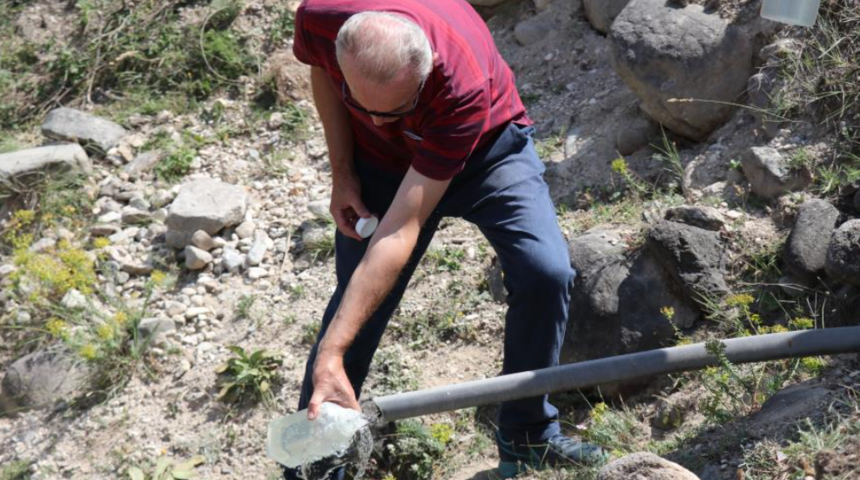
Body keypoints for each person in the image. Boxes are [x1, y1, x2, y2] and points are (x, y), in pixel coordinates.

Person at [285, 0, 606, 477]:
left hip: (485, 152)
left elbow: (399, 229)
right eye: (363, 106)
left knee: (546, 274)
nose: (376, 123)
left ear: (426, 71)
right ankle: (312, 465)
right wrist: (343, 170)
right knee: (354, 310)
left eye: (394, 109)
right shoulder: (322, 17)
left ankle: (527, 436)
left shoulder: (462, 83)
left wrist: (329, 352)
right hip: (379, 166)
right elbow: (320, 74)